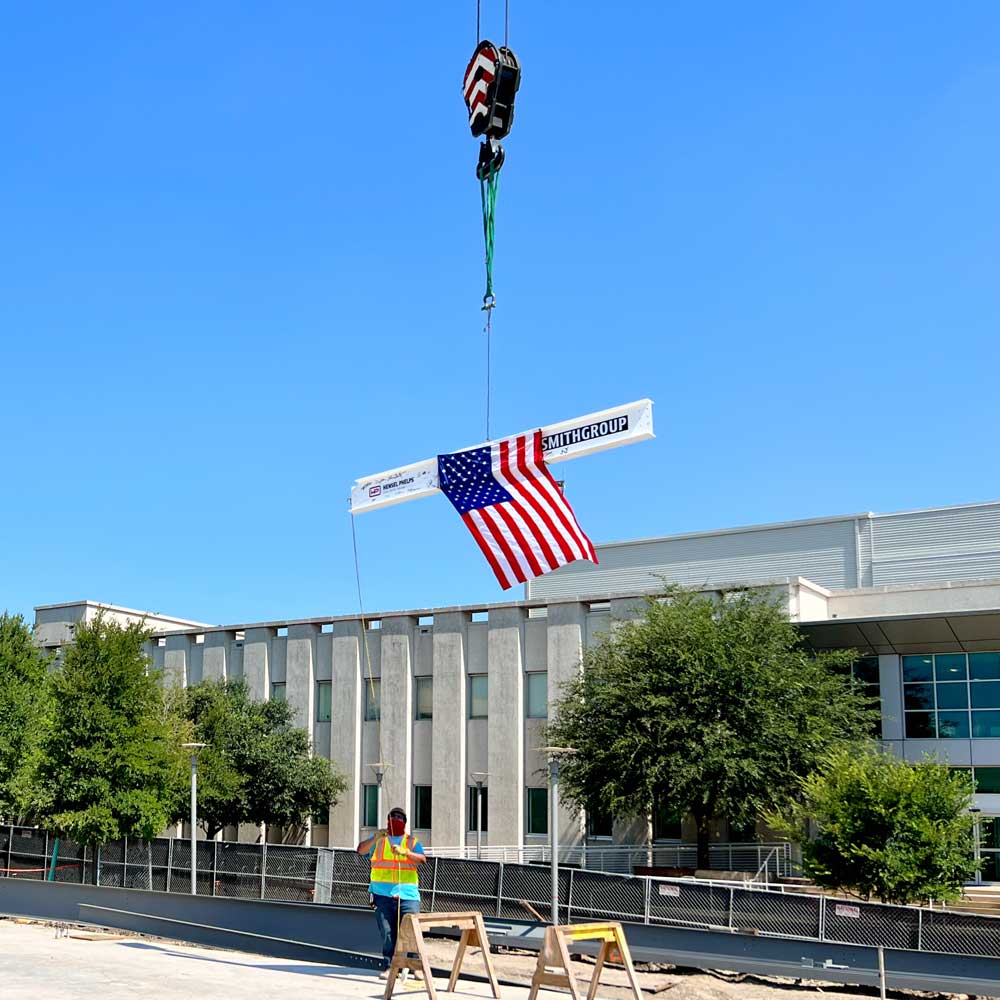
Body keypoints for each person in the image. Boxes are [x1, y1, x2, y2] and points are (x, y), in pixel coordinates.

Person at [357, 806, 427, 979]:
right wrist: (375, 838)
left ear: (404, 822)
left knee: (410, 932)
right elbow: (360, 850)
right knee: (388, 933)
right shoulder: (379, 840)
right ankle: (391, 966)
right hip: (382, 895)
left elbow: (423, 859)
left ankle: (414, 966)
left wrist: (405, 852)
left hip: (408, 895)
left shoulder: (411, 842)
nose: (396, 820)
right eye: (392, 817)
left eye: (399, 817)